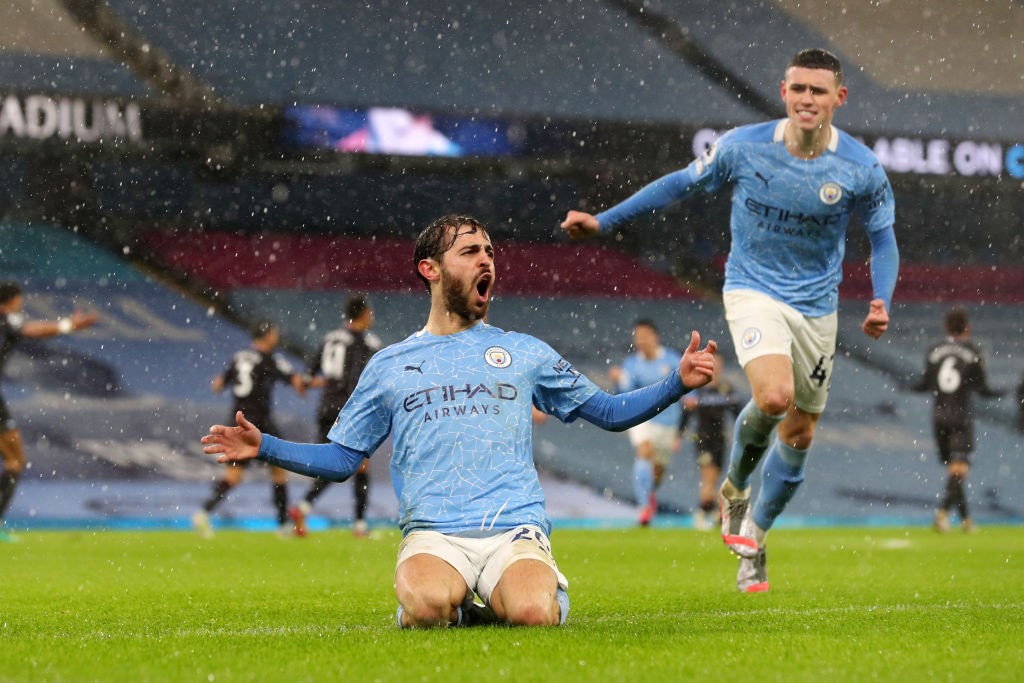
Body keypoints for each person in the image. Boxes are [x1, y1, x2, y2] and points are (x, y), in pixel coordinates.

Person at [202, 214, 718, 628]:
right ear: (431, 269)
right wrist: (265, 445)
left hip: (513, 527)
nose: (486, 260)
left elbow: (607, 412)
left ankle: (505, 598)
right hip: (433, 531)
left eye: (490, 252)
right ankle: (454, 604)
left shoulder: (523, 351)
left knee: (534, 615)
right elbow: (342, 460)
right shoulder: (389, 365)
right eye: (470, 251)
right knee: (426, 607)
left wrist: (676, 382)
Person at [561, 48, 899, 592]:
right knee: (772, 398)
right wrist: (606, 220)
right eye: (799, 89)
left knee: (800, 430)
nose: (807, 99)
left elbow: (883, 238)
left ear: (839, 98)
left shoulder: (860, 167)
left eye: (819, 90)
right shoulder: (742, 148)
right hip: (753, 290)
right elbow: (679, 184)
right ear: (783, 91)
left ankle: (757, 537)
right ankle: (735, 491)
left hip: (818, 307)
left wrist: (881, 297)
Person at [0, 281, 99, 542]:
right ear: (11, 302)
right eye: (18, 300)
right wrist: (68, 325)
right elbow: (29, 329)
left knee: (14, 461)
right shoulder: (7, 318)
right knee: (15, 461)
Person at [192, 320, 306, 538]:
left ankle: (203, 512)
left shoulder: (240, 357)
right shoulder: (271, 359)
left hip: (238, 421)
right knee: (278, 471)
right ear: (267, 336)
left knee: (233, 476)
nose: (277, 336)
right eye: (274, 332)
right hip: (259, 423)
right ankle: (282, 526)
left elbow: (217, 384)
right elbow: (295, 379)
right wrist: (307, 383)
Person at [289, 295, 382, 538]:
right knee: (358, 465)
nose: (371, 317)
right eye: (369, 313)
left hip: (326, 408)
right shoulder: (366, 342)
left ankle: (303, 507)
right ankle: (359, 525)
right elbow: (363, 379)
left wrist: (317, 383)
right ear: (362, 314)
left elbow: (307, 378)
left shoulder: (330, 338)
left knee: (335, 464)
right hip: (349, 409)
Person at [912, 308, 1003, 534]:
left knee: (954, 471)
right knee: (959, 471)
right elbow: (982, 389)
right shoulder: (972, 351)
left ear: (946, 328)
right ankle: (942, 514)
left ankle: (966, 521)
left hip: (939, 417)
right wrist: (1000, 393)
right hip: (960, 417)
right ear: (967, 328)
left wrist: (905, 384)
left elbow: (924, 384)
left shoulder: (934, 351)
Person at [609, 318, 683, 526]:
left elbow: (685, 386)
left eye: (644, 336)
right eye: (637, 337)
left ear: (655, 337)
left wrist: (690, 399)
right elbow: (625, 392)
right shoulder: (632, 364)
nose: (640, 340)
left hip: (668, 422)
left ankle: (649, 494)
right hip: (642, 418)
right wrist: (618, 379)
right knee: (645, 451)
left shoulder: (671, 360)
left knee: (657, 471)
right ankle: (643, 507)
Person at [680, 357, 743, 531]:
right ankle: (702, 514)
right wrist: (678, 435)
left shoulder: (726, 390)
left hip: (720, 440)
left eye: (718, 365)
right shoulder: (697, 390)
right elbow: (686, 413)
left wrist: (744, 434)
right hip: (702, 440)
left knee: (714, 480)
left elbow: (739, 414)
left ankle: (715, 514)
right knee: (708, 479)